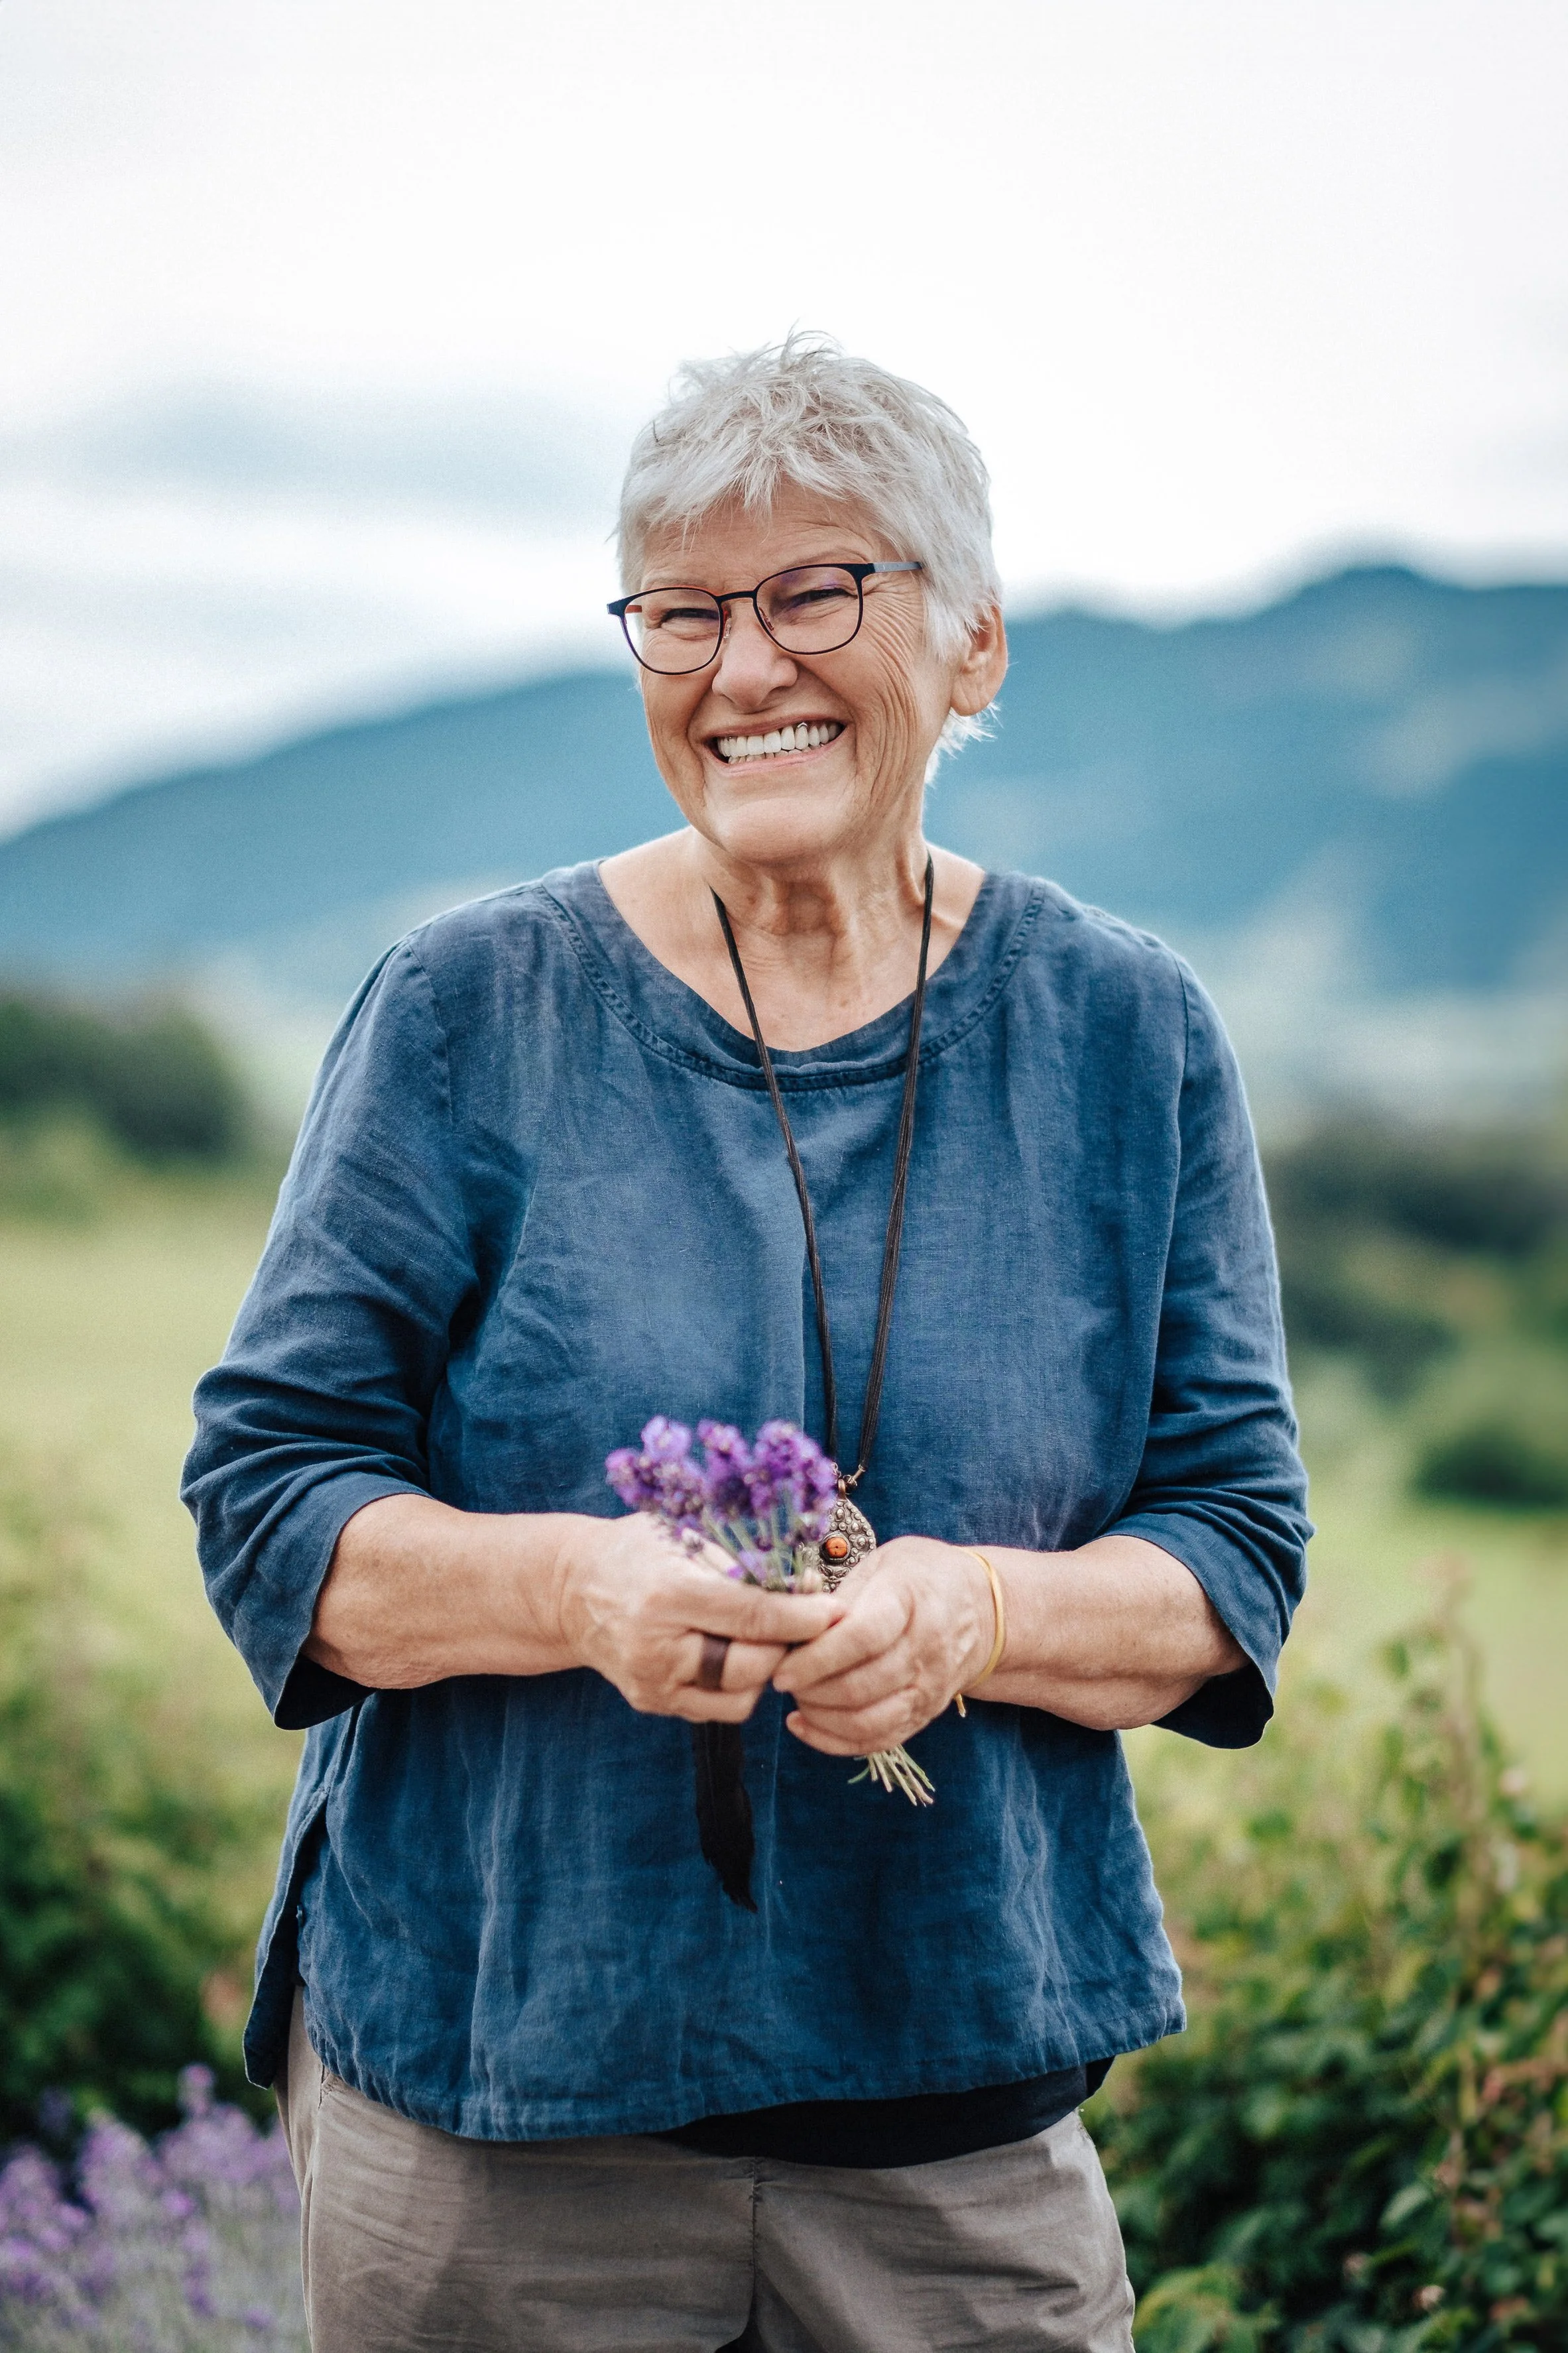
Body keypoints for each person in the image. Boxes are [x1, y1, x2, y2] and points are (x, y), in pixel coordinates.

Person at [184, 333, 1310, 2353]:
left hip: (956, 2133)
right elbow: (271, 1507)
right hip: (499, 2111)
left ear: (969, 647)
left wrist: (971, 1610)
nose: (740, 667)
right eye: (682, 610)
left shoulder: (1127, 1035)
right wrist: (576, 1584)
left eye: (816, 591)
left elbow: (1232, 1554)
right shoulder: (466, 1010)